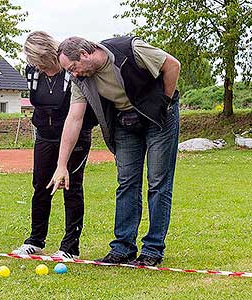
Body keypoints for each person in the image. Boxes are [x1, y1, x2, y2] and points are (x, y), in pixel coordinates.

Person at [48, 36, 181, 266]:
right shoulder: (81, 80)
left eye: (73, 68)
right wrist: (61, 165)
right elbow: (74, 118)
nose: (74, 74)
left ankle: (153, 249)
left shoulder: (130, 49)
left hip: (159, 117)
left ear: (84, 54)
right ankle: (123, 248)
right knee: (126, 182)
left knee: (158, 181)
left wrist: (165, 103)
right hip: (126, 120)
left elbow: (172, 65)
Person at [11, 31, 96, 259]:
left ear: (48, 53)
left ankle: (70, 247)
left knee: (71, 188)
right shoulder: (32, 73)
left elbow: (80, 110)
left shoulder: (72, 73)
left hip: (75, 137)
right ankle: (36, 240)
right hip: (45, 137)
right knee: (41, 186)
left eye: (36, 59)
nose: (33, 64)